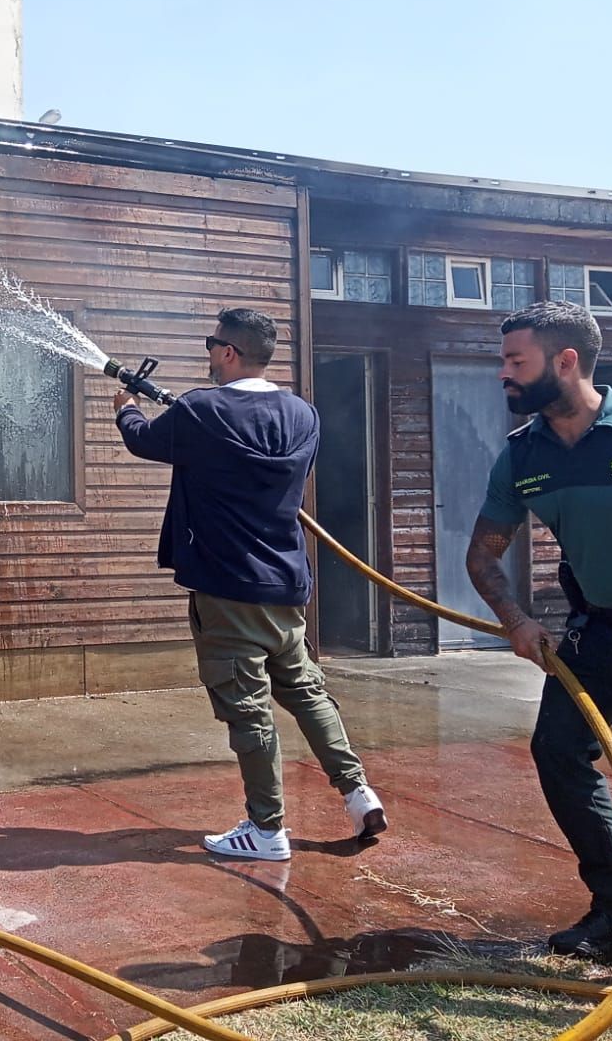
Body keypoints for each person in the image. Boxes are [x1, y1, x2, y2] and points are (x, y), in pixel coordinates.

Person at [466, 300, 612, 996]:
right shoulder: (525, 452)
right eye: (504, 360)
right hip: (597, 631)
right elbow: (483, 555)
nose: (504, 373)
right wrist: (515, 619)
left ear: (565, 361)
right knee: (557, 750)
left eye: (517, 361)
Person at [114, 307, 387, 862]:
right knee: (304, 691)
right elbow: (238, 442)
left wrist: (126, 409)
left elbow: (144, 441)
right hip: (284, 584)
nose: (208, 354)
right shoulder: (303, 415)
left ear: (230, 353)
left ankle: (266, 830)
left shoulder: (200, 409)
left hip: (227, 586)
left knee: (248, 708)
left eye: (212, 345)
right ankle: (358, 793)